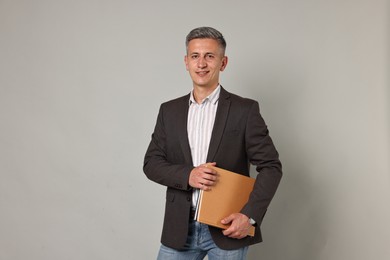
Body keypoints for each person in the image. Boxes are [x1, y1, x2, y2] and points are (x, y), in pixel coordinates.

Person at [143, 26, 282, 260]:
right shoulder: (169, 111)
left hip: (227, 228)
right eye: (195, 56)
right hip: (179, 229)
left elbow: (271, 167)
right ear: (186, 62)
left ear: (223, 62)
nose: (202, 64)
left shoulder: (245, 110)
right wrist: (188, 175)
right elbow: (151, 163)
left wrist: (248, 217)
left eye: (210, 56)